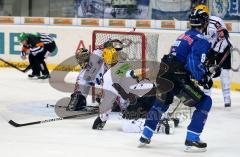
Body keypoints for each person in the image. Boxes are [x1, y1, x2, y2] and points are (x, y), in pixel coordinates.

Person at [139, 9, 212, 152]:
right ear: (204, 23)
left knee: (162, 101)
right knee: (205, 102)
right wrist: (203, 78)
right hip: (177, 77)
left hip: (163, 72)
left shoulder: (184, 35)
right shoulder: (202, 39)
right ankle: (192, 138)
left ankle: (146, 134)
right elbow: (193, 63)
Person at [195, 4, 232, 107]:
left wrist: (215, 52)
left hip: (223, 48)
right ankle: (206, 97)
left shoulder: (215, 22)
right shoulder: (197, 25)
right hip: (210, 50)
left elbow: (224, 39)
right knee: (206, 73)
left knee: (224, 73)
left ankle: (227, 97)